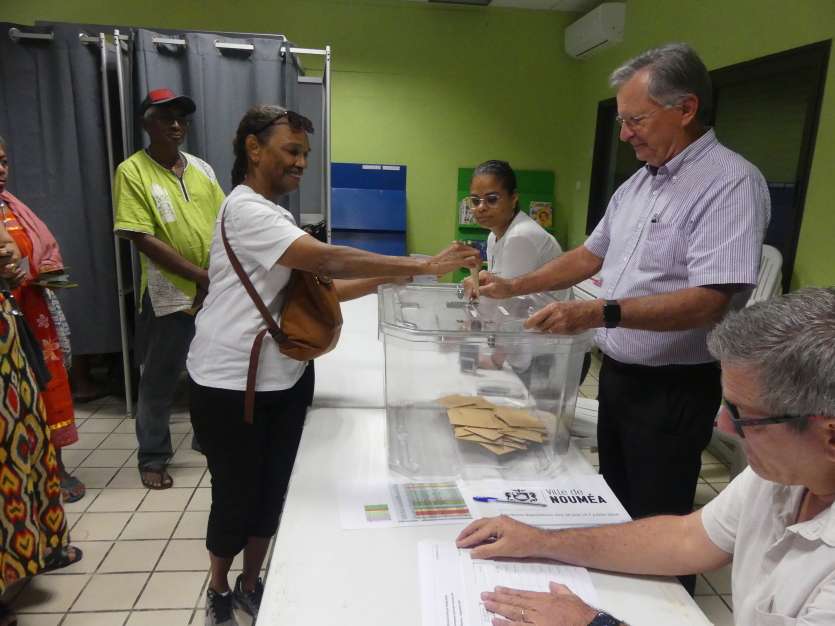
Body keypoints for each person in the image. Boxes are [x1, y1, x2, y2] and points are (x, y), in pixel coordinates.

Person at [469, 43, 770, 586]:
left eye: (636, 120)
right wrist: (515, 284)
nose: (626, 134)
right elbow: (589, 255)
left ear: (685, 108)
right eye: (623, 121)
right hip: (621, 379)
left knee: (661, 524)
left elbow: (711, 299)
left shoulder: (729, 182)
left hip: (674, 387)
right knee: (616, 509)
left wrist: (599, 312)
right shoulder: (638, 183)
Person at [187, 105, 480, 626]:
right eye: (291, 151)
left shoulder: (277, 217)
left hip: (286, 376)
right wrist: (422, 262)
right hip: (232, 384)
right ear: (253, 148)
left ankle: (251, 582)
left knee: (271, 490)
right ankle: (218, 587)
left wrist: (400, 277)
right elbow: (325, 259)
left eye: (305, 153)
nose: (301, 162)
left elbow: (324, 290)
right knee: (234, 494)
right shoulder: (246, 210)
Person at [456, 287, 835, 626]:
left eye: (743, 415)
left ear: (829, 436)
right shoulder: (780, 476)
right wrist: (541, 541)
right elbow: (685, 540)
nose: (724, 426)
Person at [114, 89, 226, 490]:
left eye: (181, 118)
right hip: (169, 294)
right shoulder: (132, 171)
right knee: (160, 379)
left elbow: (224, 219)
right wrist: (199, 276)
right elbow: (140, 236)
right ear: (147, 123)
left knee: (208, 372)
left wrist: (217, 276)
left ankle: (206, 439)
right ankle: (153, 456)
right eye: (166, 118)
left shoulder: (201, 168)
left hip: (214, 290)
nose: (176, 125)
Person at [0, 224, 81, 625]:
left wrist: (9, 264)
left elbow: (10, 250)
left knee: (25, 449)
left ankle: (35, 550)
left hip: (9, 348)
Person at [0, 134, 86, 503]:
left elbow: (42, 250)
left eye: (3, 161)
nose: (1, 170)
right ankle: (20, 475)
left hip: (33, 313)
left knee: (47, 385)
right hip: (3, 322)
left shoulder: (13, 206)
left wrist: (42, 272)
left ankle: (54, 467)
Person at [467, 160, 561, 280]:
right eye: (475, 200)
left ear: (513, 198)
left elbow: (507, 291)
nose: (481, 208)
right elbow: (499, 285)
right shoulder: (493, 237)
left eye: (492, 199)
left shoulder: (520, 235)